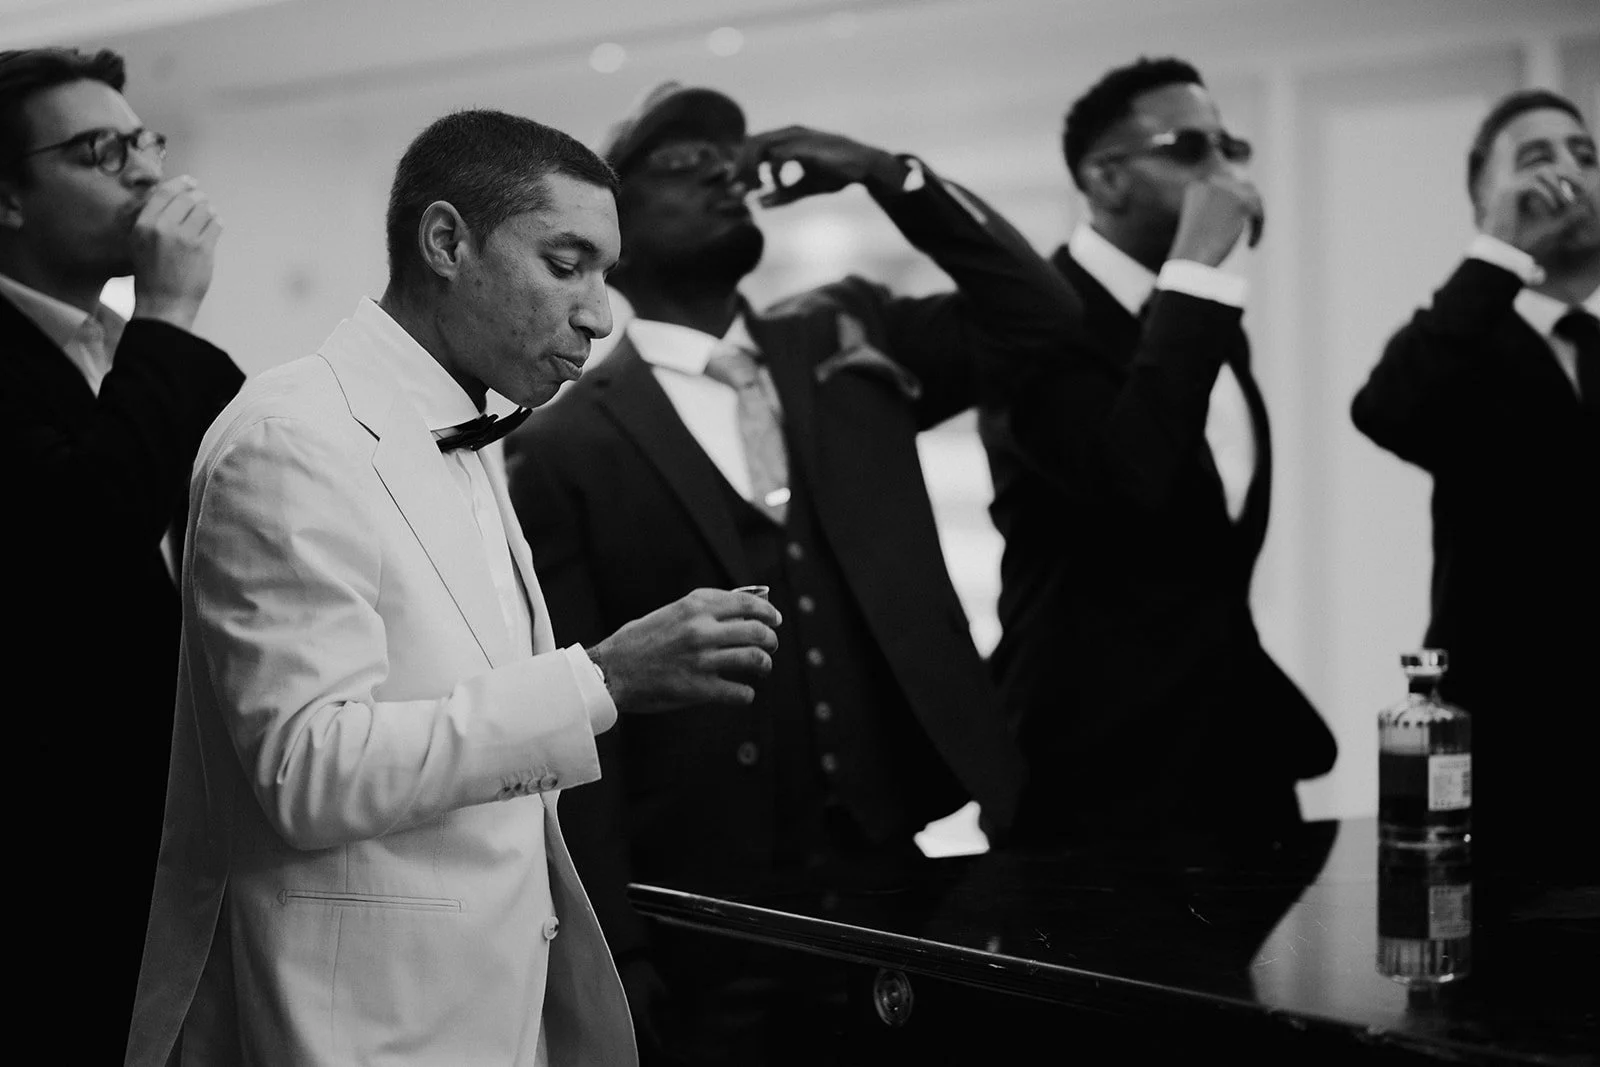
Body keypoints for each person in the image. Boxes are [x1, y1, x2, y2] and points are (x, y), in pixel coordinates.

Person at [126, 108, 780, 1066]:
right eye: (567, 265)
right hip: (349, 1028)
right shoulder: (291, 438)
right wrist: (600, 679)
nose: (599, 314)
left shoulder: (469, 431)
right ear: (446, 243)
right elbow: (309, 770)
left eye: (605, 274)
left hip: (490, 1013)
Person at [505, 82, 1077, 1064]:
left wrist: (885, 173)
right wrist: (616, 944)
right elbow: (578, 711)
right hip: (701, 919)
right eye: (682, 164)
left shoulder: (847, 332)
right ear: (615, 230)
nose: (722, 174)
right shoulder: (563, 447)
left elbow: (1046, 320)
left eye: (729, 159)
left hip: (897, 876)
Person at [978, 57, 1336, 850]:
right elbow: (1129, 480)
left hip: (1238, 756)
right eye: (1191, 148)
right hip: (1089, 768)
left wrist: (1192, 293)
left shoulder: (1208, 326)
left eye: (1230, 147)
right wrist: (1195, 273)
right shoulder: (1030, 320)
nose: (1225, 171)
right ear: (1106, 178)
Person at [0, 46, 243, 1050]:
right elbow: (83, 541)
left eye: (145, 141)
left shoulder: (119, 345)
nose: (146, 170)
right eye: (101, 151)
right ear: (8, 200)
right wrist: (170, 308)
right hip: (45, 852)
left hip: (167, 835)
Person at [1351, 89, 1599, 877]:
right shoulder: (1466, 349)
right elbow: (1385, 407)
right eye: (1537, 158)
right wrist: (1500, 250)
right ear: (1485, 197)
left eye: (1587, 156)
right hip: (1510, 757)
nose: (1570, 173)